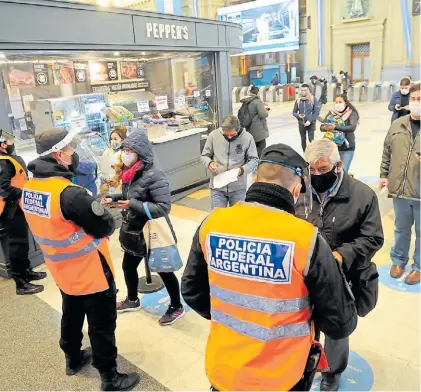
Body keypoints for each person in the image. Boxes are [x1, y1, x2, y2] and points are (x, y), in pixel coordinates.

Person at [181, 143, 357, 392]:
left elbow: (190, 291)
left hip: (224, 370)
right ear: (296, 191)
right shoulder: (304, 239)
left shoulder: (212, 224)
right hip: (282, 375)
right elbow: (340, 320)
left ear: (255, 178)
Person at [21, 128, 140, 391]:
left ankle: (72, 358)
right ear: (59, 155)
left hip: (61, 269)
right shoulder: (70, 194)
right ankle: (109, 376)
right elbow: (104, 227)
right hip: (90, 269)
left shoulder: (30, 189)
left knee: (71, 314)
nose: (74, 154)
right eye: (71, 149)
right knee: (101, 323)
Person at [299, 139, 384, 391]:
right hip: (304, 277)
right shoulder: (300, 191)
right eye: (310, 170)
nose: (315, 175)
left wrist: (341, 256)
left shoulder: (362, 195)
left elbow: (373, 238)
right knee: (306, 327)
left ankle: (332, 373)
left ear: (338, 166)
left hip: (341, 280)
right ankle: (306, 364)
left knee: (335, 332)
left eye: (322, 169)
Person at [103, 130, 185, 325]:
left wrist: (131, 204)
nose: (125, 154)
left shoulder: (154, 175)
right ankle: (132, 300)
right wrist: (113, 199)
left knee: (164, 270)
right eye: (124, 150)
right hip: (133, 230)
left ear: (140, 152)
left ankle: (176, 306)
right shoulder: (128, 172)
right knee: (128, 266)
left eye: (130, 150)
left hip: (151, 232)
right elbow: (130, 196)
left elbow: (163, 207)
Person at [380, 82, 420, 285]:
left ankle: (419, 267)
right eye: (413, 99)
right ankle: (398, 261)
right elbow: (387, 151)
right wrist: (384, 175)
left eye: (420, 100)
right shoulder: (398, 124)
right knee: (401, 228)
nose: (415, 103)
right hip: (400, 189)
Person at [0, 135, 46, 295]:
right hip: (10, 209)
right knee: (16, 244)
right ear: (3, 145)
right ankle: (20, 283)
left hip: (17, 207)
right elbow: (3, 186)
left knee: (22, 242)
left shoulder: (8, 159)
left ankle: (27, 272)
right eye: (10, 141)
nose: (13, 143)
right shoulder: (3, 162)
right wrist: (22, 192)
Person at [201, 115, 258, 209]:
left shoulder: (247, 138)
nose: (229, 137)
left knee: (237, 220)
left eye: (232, 135)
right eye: (226, 135)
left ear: (238, 130)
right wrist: (209, 163)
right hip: (217, 187)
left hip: (238, 188)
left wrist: (242, 170)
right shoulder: (213, 135)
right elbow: (204, 156)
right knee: (217, 219)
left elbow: (254, 160)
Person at [320, 94, 359, 172]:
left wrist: (335, 127)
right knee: (332, 171)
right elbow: (322, 127)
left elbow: (352, 127)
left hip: (347, 148)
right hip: (333, 148)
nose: (338, 104)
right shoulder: (331, 114)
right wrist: (325, 127)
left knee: (343, 171)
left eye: (340, 102)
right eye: (336, 102)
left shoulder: (351, 113)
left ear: (345, 103)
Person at [239, 85, 269, 157]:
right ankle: (259, 164)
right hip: (259, 130)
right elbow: (262, 115)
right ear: (258, 93)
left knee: (253, 148)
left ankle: (253, 163)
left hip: (249, 128)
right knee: (261, 149)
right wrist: (266, 111)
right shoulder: (257, 101)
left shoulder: (247, 101)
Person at [293, 84, 321, 152]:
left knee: (311, 140)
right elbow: (294, 112)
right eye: (302, 90)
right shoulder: (298, 100)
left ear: (309, 90)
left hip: (311, 123)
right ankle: (305, 154)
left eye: (305, 90)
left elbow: (316, 112)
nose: (303, 92)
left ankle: (312, 154)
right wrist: (298, 115)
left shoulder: (313, 99)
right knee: (303, 139)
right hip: (301, 123)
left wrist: (310, 120)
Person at [100, 129, 126, 195]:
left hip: (121, 185)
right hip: (109, 184)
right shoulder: (107, 151)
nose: (113, 141)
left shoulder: (126, 152)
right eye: (111, 139)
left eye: (115, 139)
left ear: (122, 140)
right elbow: (103, 167)